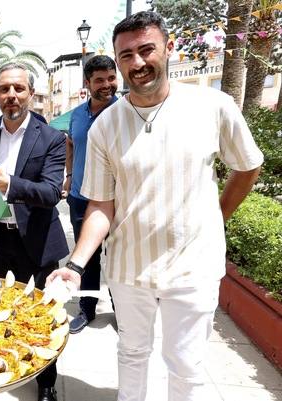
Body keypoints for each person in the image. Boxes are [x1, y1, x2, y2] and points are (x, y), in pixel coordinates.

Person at [48, 11, 263, 401]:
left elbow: (248, 166)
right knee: (131, 354)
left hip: (193, 267)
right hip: (129, 268)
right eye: (126, 55)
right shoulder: (105, 126)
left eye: (146, 50)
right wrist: (76, 265)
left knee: (185, 364)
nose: (138, 63)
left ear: (169, 47)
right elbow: (100, 205)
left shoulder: (213, 106)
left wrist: (217, 215)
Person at [0, 62, 68, 401]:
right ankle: (6, 367)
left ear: (31, 94)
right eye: (4, 89)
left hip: (37, 243)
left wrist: (9, 184)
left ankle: (46, 382)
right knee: (1, 312)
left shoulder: (51, 138)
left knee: (41, 317)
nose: (12, 96)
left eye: (19, 89)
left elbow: (51, 193)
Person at [64, 55, 118, 334]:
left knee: (119, 256)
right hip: (80, 198)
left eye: (111, 78)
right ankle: (87, 308)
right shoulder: (76, 115)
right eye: (100, 80)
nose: (107, 85)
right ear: (87, 83)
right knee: (88, 255)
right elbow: (70, 144)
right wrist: (70, 175)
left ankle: (121, 310)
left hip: (116, 200)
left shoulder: (126, 112)